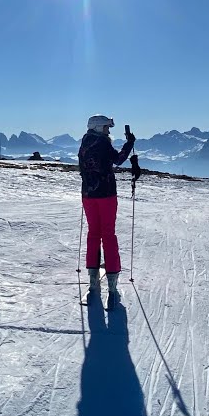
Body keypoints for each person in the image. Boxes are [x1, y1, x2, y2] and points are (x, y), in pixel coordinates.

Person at [78, 114, 135, 304]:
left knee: (93, 234)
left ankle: (93, 283)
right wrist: (129, 144)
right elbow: (118, 160)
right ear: (97, 127)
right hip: (106, 194)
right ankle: (112, 285)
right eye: (106, 127)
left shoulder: (85, 142)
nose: (108, 131)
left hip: (88, 195)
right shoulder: (102, 143)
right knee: (108, 235)